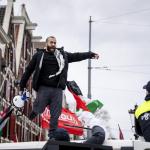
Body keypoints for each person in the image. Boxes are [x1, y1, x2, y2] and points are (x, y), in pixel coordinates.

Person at [19, 36, 99, 139]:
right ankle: (35, 111)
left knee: (55, 113)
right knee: (39, 107)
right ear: (46, 44)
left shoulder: (62, 55)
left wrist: (90, 55)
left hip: (57, 89)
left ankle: (52, 134)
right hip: (44, 88)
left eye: (55, 43)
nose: (53, 45)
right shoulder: (39, 55)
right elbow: (28, 70)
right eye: (51, 42)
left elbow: (76, 56)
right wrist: (22, 85)